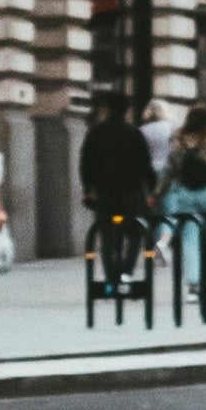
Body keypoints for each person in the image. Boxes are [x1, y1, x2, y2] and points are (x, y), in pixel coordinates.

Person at [160, 103, 206, 304]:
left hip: (186, 194)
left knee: (190, 240)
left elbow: (169, 171)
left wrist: (158, 193)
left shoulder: (180, 141)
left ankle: (193, 288)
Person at [79, 101, 152, 289]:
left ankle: (111, 276)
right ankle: (127, 271)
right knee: (135, 232)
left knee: (107, 234)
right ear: (126, 112)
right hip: (130, 191)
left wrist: (87, 189)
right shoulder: (134, 133)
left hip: (105, 191)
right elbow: (145, 163)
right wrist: (151, 190)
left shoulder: (96, 133)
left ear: (107, 110)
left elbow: (86, 162)